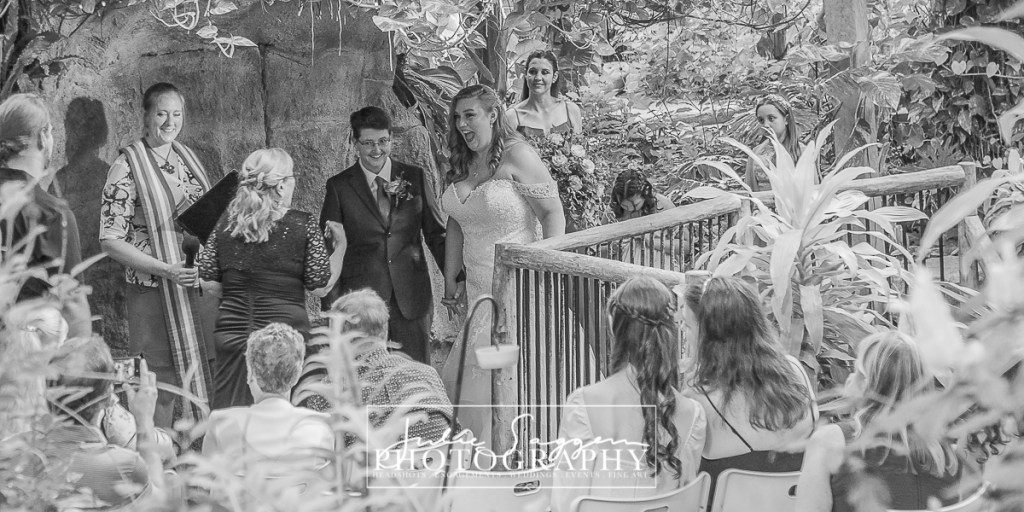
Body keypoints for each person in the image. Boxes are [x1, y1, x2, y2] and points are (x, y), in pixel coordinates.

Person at [441, 84, 566, 447]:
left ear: (493, 115)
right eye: (457, 117)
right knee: (479, 377)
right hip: (477, 291)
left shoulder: (518, 155)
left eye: (470, 115)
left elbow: (552, 213)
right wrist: (451, 277)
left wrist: (542, 268)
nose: (462, 125)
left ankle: (517, 448)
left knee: (508, 376)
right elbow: (456, 222)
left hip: (518, 289)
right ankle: (488, 453)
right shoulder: (462, 161)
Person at [99, 82, 217, 428]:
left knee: (207, 369)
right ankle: (156, 454)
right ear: (146, 116)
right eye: (162, 114)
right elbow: (109, 240)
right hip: (153, 290)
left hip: (194, 286)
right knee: (157, 382)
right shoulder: (126, 166)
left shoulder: (186, 158)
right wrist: (166, 269)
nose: (170, 122)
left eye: (176, 114)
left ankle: (203, 453)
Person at [551, 277, 706, 512]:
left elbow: (564, 502)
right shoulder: (693, 414)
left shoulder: (583, 404)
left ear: (614, 326)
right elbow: (687, 503)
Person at [197, 148, 334, 409]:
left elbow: (208, 281)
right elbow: (320, 286)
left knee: (233, 414)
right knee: (289, 416)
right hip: (285, 338)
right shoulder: (302, 223)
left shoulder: (226, 222)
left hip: (234, 334)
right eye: (292, 176)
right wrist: (341, 248)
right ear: (281, 186)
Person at [319, 106, 446, 365]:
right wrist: (333, 310)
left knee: (415, 376)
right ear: (355, 142)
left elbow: (436, 234)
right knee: (367, 380)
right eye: (368, 143)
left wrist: (456, 280)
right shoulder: (339, 187)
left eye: (383, 141)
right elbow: (330, 248)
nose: (376, 150)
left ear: (391, 138)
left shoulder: (414, 177)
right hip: (360, 305)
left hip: (412, 299)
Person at [680, 273, 816, 502]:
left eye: (687, 325)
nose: (684, 333)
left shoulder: (698, 399)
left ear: (709, 335)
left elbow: (681, 477)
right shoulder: (795, 371)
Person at [795, 332, 965, 512]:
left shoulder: (831, 441)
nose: (849, 379)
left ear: (867, 384)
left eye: (856, 372)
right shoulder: (947, 453)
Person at [297, 289, 453, 443]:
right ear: (385, 330)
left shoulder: (328, 393)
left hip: (378, 459)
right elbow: (456, 434)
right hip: (440, 458)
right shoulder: (428, 374)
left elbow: (318, 451)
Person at [0, 93, 91, 339]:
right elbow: (73, 307)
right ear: (42, 137)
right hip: (22, 354)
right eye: (50, 131)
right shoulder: (52, 214)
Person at [44, 337, 173, 508]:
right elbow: (160, 506)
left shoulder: (17, 453)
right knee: (171, 480)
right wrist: (144, 422)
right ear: (108, 398)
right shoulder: (122, 466)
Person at [203, 323, 333, 471]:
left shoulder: (220, 423)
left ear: (250, 374)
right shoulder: (321, 426)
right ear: (297, 375)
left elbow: (205, 482)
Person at [505, 50, 583, 137]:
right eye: (532, 72)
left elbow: (580, 144)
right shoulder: (512, 117)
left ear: (554, 77)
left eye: (545, 72)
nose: (538, 77)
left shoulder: (571, 110)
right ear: (526, 75)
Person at [745, 94, 809, 192]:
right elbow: (749, 191)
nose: (766, 124)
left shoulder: (802, 151)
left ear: (786, 119)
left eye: (771, 118)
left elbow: (813, 190)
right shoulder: (755, 153)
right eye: (761, 120)